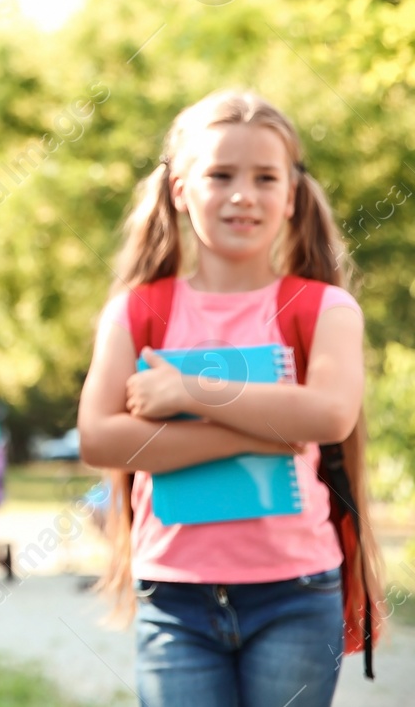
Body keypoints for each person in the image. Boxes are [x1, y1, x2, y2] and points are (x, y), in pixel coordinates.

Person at [77, 90, 383, 707]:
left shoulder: (324, 309)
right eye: (220, 175)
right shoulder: (137, 312)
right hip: (173, 596)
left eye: (265, 177)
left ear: (291, 197)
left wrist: (189, 390)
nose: (243, 194)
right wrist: (262, 426)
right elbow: (100, 438)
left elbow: (327, 414)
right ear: (180, 190)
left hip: (296, 592)